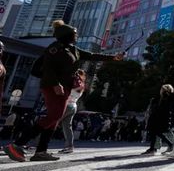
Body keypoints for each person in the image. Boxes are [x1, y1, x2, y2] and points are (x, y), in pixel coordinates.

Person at [3, 20, 122, 162]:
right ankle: (17, 144)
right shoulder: (55, 48)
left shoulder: (74, 50)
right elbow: (49, 68)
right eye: (74, 34)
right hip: (53, 86)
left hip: (65, 87)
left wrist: (113, 58)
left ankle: (41, 152)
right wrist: (55, 84)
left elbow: (91, 56)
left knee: (54, 118)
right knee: (55, 115)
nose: (76, 36)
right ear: (66, 35)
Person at [142, 84, 174, 155]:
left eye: (163, 89)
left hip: (162, 118)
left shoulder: (170, 97)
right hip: (157, 117)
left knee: (158, 132)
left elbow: (170, 106)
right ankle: (153, 148)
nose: (161, 91)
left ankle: (170, 145)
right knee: (154, 132)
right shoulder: (160, 98)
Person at [58, 69, 86, 154]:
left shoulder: (74, 82)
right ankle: (70, 146)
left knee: (52, 122)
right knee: (67, 127)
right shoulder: (81, 85)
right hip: (74, 106)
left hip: (66, 105)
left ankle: (35, 143)